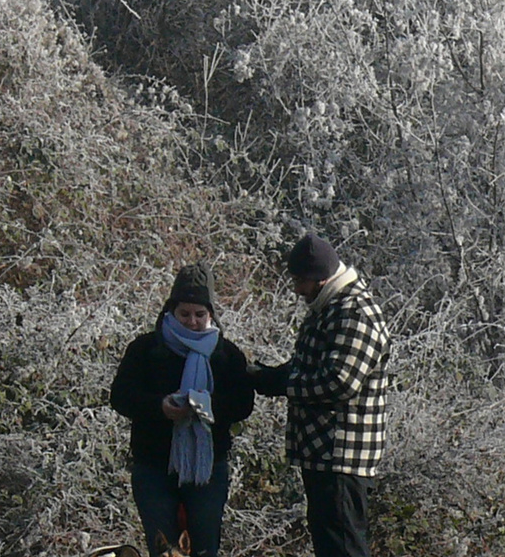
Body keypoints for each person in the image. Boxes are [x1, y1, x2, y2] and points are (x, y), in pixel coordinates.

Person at [250, 234, 390, 557]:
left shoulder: (355, 312)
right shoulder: (330, 306)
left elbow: (339, 382)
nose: (297, 289)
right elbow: (310, 367)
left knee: (343, 548)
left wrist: (283, 385)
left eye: (300, 281)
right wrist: (268, 376)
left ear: (320, 277)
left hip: (341, 457)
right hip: (325, 455)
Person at [110, 263, 256, 557]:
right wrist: (160, 407)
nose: (191, 322)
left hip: (208, 471)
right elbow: (121, 396)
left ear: (211, 315)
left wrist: (208, 406)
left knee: (204, 548)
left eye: (199, 314)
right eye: (185, 314)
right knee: (161, 549)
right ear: (171, 312)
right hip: (153, 465)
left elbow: (243, 404)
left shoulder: (226, 355)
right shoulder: (145, 349)